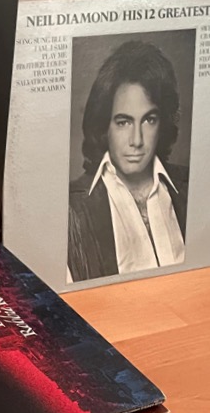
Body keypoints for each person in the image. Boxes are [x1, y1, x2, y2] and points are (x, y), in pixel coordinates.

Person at [68, 40, 188, 282]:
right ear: (104, 126)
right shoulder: (71, 209)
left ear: (162, 122)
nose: (137, 140)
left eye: (149, 120)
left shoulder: (191, 185)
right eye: (123, 122)